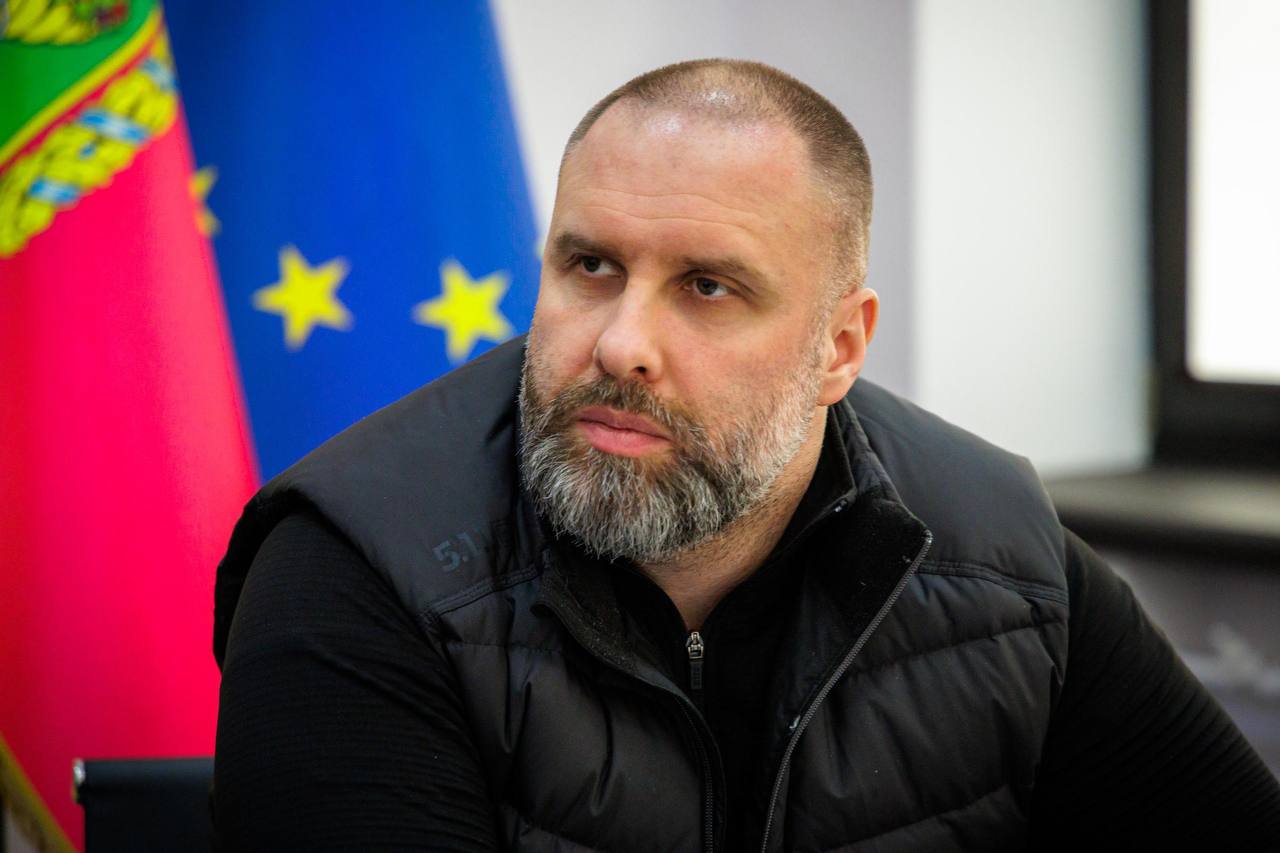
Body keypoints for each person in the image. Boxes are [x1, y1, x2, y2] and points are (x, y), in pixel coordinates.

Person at [211, 60, 1280, 851]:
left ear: (839, 347)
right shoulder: (353, 569)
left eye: (707, 287)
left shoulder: (1001, 553)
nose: (621, 344)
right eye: (590, 266)